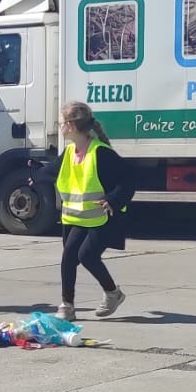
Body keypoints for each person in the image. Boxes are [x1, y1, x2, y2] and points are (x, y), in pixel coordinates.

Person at [54, 100, 132, 319]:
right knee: (69, 257)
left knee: (87, 255)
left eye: (60, 123)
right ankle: (67, 305)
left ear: (70, 126)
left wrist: (113, 199)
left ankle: (113, 293)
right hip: (79, 217)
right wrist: (34, 174)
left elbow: (128, 179)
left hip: (104, 216)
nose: (59, 127)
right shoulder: (70, 151)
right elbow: (53, 170)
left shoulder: (101, 153)